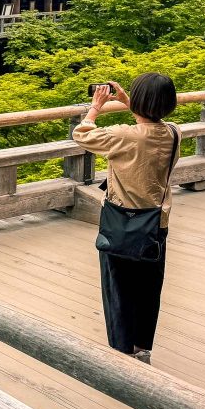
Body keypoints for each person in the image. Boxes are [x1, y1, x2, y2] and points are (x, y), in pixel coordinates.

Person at [72, 73, 179, 365]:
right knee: (148, 289)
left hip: (121, 224)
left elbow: (82, 134)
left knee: (118, 290)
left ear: (141, 102)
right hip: (156, 224)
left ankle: (122, 352)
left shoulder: (123, 135)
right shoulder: (172, 132)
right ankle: (143, 347)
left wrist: (96, 107)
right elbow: (148, 125)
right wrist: (127, 102)